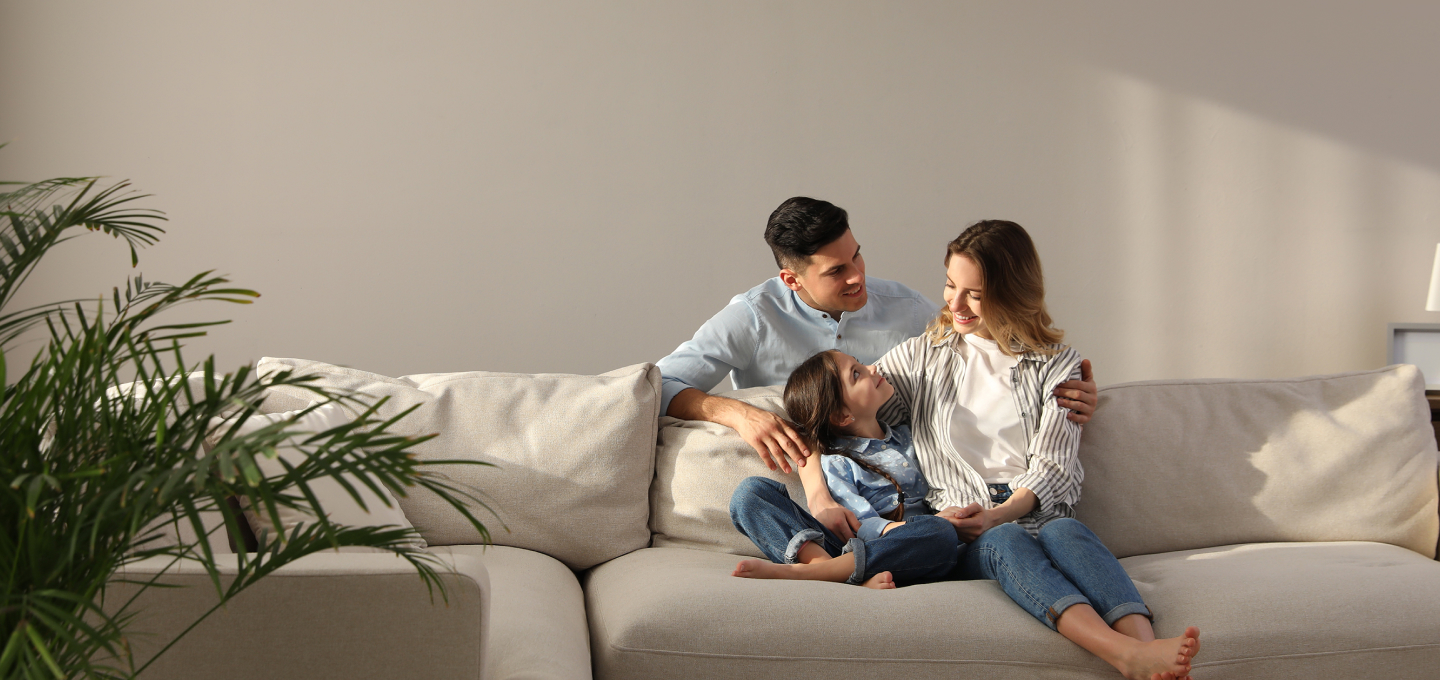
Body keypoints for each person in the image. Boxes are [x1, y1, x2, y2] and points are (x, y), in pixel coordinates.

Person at [657, 197, 1099, 539]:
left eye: (857, 256)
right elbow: (655, 386)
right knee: (753, 498)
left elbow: (990, 347)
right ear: (791, 280)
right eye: (836, 271)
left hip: (907, 501)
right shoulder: (751, 318)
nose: (857, 277)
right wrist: (738, 413)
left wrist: (1064, 391)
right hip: (813, 480)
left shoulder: (906, 310)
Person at [728, 350, 964, 590]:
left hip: (909, 554)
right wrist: (909, 528)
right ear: (842, 416)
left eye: (860, 364)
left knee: (940, 532)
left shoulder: (912, 436)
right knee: (750, 494)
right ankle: (826, 568)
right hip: (855, 547)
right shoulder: (839, 461)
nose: (873, 368)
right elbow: (860, 527)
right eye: (856, 374)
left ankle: (830, 575)